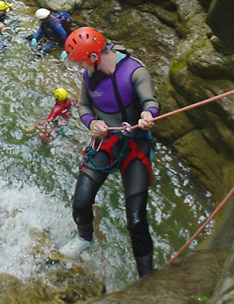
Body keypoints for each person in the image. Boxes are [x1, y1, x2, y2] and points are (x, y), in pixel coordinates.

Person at [58, 27, 158, 278]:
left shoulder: (134, 71)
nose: (79, 66)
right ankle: (84, 238)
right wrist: (92, 123)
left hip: (136, 142)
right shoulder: (88, 75)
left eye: (80, 60)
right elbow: (83, 106)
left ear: (93, 56)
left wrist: (148, 115)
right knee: (81, 202)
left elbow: (150, 101)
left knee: (136, 220)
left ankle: (146, 277)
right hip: (107, 141)